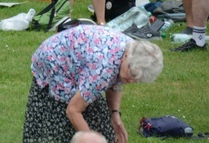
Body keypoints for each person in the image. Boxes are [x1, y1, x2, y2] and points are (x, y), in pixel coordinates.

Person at [22, 25, 163, 143]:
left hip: (79, 59)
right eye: (132, 75)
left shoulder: (133, 51)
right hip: (55, 62)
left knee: (101, 123)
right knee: (64, 127)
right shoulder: (102, 70)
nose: (131, 81)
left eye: (137, 80)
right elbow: (73, 110)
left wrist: (115, 114)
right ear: (126, 57)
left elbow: (116, 81)